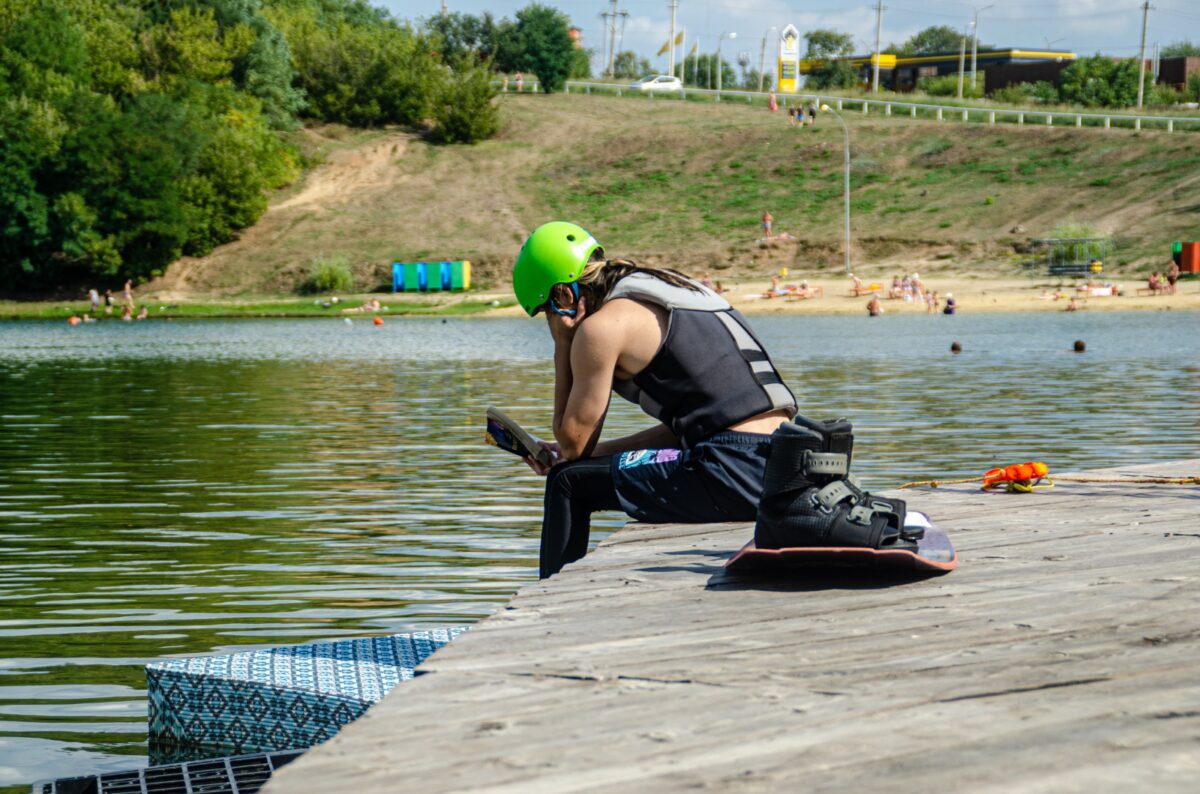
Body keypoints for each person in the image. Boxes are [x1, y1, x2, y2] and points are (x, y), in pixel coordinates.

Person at [512, 222, 802, 578]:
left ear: (564, 298)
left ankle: (546, 605)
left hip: (733, 469)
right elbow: (692, 427)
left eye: (546, 313)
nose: (550, 323)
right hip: (785, 460)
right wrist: (596, 453)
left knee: (567, 481)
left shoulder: (601, 328)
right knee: (573, 470)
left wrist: (562, 345)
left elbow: (573, 446)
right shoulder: (670, 289)